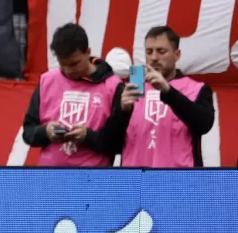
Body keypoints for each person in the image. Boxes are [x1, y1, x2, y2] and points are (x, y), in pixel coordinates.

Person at [105, 26, 215, 168]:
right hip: (134, 180)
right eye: (149, 52)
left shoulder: (197, 89)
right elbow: (110, 143)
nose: (154, 57)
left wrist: (169, 92)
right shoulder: (130, 89)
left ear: (177, 55)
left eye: (161, 51)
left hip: (178, 181)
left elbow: (204, 124)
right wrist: (122, 112)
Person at [22, 22, 120, 166]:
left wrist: (88, 137)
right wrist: (46, 133)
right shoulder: (46, 81)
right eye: (63, 64)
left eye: (74, 64)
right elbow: (28, 133)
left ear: (88, 52)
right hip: (50, 179)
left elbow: (118, 143)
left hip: (93, 181)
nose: (68, 70)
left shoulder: (113, 87)